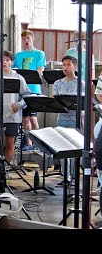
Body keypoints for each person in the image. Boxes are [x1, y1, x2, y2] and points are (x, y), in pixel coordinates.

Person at [0, 50, 31, 168]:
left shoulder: (19, 78)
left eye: (7, 60)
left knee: (9, 144)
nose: (4, 62)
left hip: (12, 117)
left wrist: (19, 105)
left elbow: (27, 95)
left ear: (12, 62)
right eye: (2, 60)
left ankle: (4, 170)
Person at [53, 55, 85, 183]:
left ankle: (73, 176)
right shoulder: (57, 83)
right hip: (61, 118)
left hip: (75, 118)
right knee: (61, 148)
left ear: (75, 66)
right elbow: (55, 100)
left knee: (73, 149)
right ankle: (65, 176)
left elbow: (81, 102)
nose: (65, 67)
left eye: (68, 64)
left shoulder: (81, 83)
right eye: (64, 65)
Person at [12, 30, 46, 149]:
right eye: (24, 39)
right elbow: (13, 70)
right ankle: (28, 143)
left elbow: (40, 70)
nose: (26, 41)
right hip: (22, 90)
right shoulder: (18, 55)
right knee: (25, 118)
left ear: (32, 39)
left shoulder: (39, 54)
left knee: (33, 117)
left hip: (34, 90)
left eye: (28, 38)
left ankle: (38, 143)